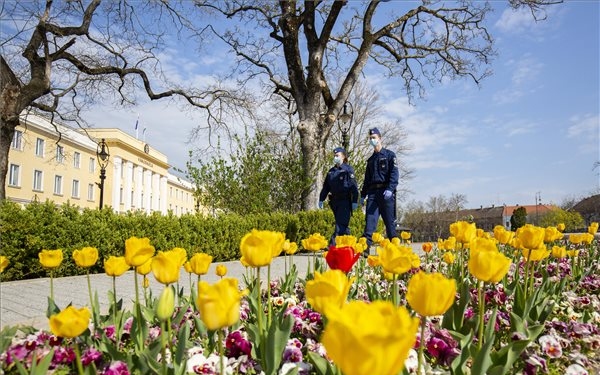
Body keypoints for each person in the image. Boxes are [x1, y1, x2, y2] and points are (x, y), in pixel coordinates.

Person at [360, 128, 399, 249]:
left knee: (390, 223)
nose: (372, 140)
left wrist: (390, 189)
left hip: (386, 193)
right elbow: (367, 179)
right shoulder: (370, 160)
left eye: (374, 137)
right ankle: (365, 250)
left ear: (380, 138)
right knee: (370, 223)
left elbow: (394, 174)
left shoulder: (389, 155)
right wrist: (363, 195)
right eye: (370, 138)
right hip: (372, 194)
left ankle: (395, 249)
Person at [318, 147, 359, 246]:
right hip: (334, 201)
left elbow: (354, 186)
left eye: (337, 155)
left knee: (340, 224)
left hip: (344, 201)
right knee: (343, 225)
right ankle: (350, 244)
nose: (335, 157)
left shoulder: (348, 170)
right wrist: (321, 199)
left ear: (343, 157)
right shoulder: (331, 171)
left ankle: (332, 245)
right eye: (334, 156)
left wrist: (354, 201)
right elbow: (326, 187)